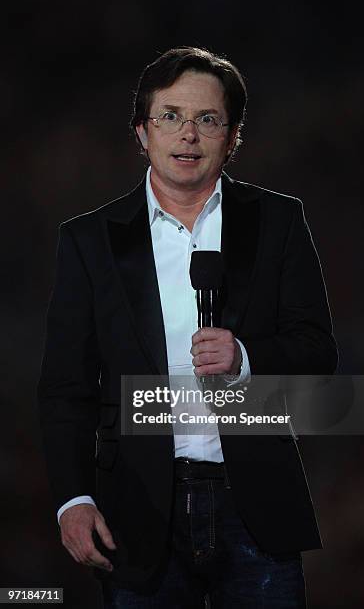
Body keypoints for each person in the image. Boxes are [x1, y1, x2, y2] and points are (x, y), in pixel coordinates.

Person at [38, 47, 338, 608]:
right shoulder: (89, 240)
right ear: (141, 132)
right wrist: (72, 499)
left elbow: (319, 353)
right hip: (138, 507)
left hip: (256, 506)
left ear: (232, 136)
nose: (188, 135)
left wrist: (245, 356)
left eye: (208, 119)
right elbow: (65, 387)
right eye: (170, 116)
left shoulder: (278, 222)